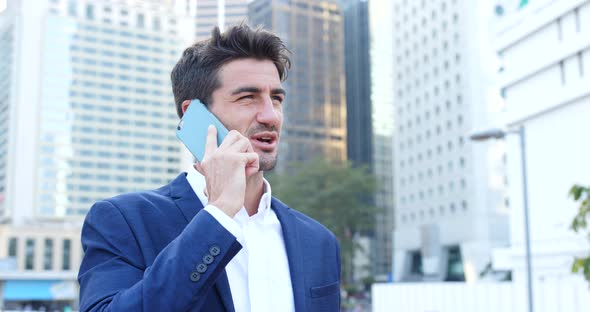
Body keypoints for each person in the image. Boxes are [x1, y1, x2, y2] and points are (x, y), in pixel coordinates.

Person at [77, 24, 341, 312]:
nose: (270, 115)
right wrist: (218, 215)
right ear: (194, 115)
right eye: (247, 97)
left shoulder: (319, 241)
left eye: (276, 98)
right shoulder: (124, 221)